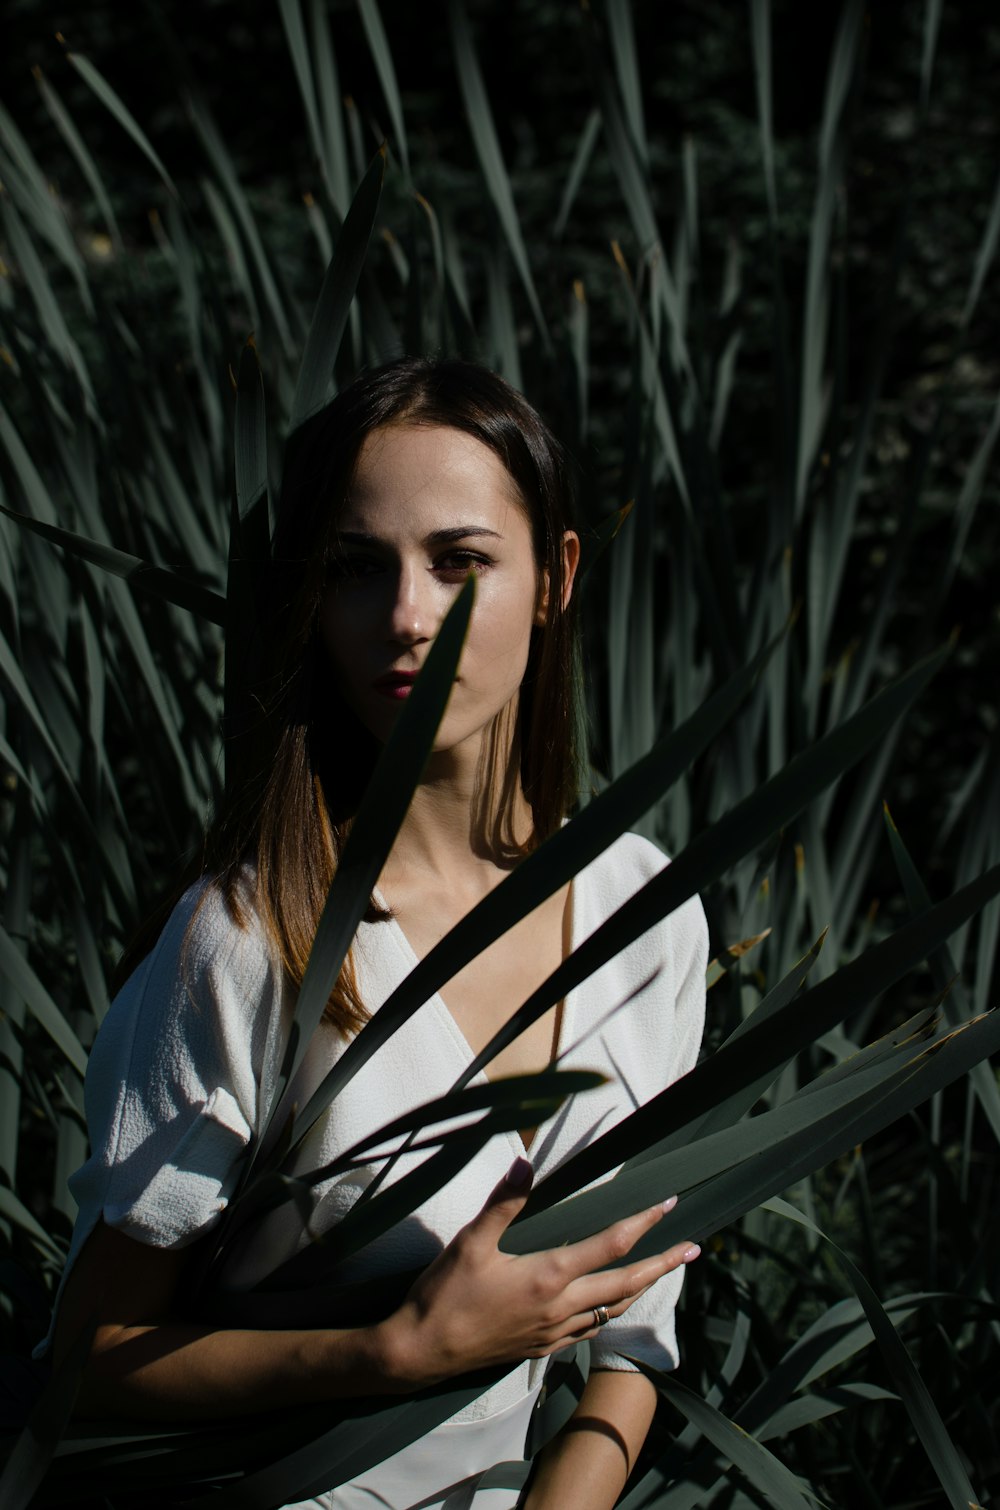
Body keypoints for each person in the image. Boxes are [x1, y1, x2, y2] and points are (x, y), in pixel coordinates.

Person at [47, 357, 708, 1510]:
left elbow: (631, 1337)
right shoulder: (252, 940)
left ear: (555, 577)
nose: (407, 617)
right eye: (358, 569)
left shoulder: (648, 914)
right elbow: (91, 1349)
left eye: (460, 562)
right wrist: (392, 1350)